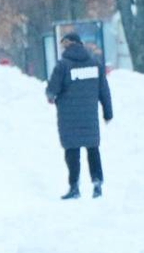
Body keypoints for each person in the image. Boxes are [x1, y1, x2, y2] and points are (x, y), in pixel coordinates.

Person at [46, 32, 114, 199]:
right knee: (93, 149)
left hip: (68, 117)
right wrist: (107, 113)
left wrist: (50, 96)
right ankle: (97, 183)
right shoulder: (95, 64)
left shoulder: (63, 66)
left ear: (68, 45)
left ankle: (74, 186)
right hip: (89, 117)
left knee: (72, 152)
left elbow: (52, 89)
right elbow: (104, 91)